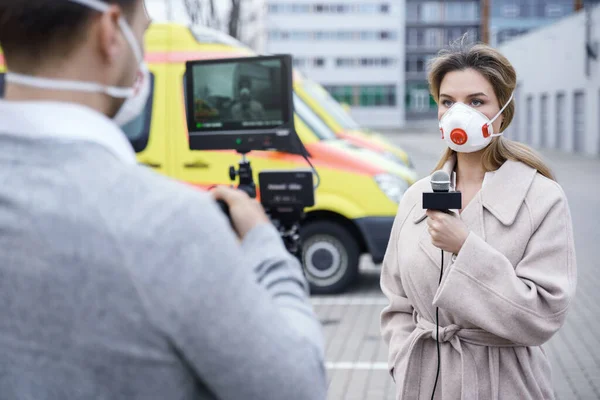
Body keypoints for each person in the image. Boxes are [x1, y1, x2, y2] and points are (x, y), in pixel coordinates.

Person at [0, 1, 326, 399]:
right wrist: (266, 245)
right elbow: (296, 388)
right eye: (144, 32)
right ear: (110, 33)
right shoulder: (166, 224)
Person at [380, 38, 577, 399]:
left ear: (502, 111)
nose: (460, 113)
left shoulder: (542, 197)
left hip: (506, 384)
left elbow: (545, 314)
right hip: (426, 384)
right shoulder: (414, 197)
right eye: (447, 102)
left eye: (476, 101)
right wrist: (403, 359)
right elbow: (395, 301)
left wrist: (466, 248)